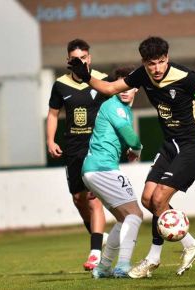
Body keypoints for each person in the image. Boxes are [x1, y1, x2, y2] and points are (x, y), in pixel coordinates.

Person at [67, 36, 195, 277]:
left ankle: (152, 258)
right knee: (148, 200)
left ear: (167, 58)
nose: (157, 68)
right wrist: (85, 76)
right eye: (151, 63)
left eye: (161, 62)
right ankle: (190, 244)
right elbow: (109, 88)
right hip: (170, 145)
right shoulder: (142, 75)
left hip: (192, 144)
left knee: (159, 200)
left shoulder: (187, 77)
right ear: (144, 62)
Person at [46, 39, 109, 271]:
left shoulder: (101, 80)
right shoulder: (60, 85)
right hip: (72, 149)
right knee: (78, 200)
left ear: (89, 59)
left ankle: (95, 252)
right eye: (75, 59)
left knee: (93, 199)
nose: (80, 62)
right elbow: (53, 114)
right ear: (68, 61)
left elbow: (116, 109)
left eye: (84, 58)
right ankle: (99, 236)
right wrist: (50, 140)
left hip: (96, 149)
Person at [82, 66, 143, 278]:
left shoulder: (120, 108)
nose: (124, 91)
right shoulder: (115, 107)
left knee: (122, 218)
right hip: (102, 169)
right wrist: (136, 149)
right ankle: (123, 266)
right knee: (135, 214)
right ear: (114, 88)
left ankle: (104, 268)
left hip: (95, 170)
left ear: (136, 89)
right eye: (120, 87)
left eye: (129, 86)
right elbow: (132, 138)